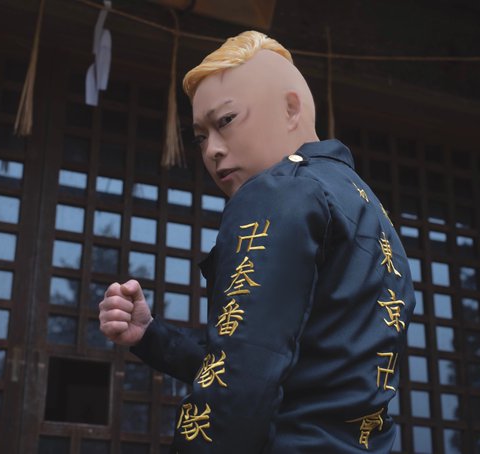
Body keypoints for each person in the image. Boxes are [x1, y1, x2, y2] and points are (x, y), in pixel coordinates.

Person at [99, 30, 415, 453]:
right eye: (200, 136)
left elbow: (244, 376)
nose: (211, 150)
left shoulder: (277, 191)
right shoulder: (369, 208)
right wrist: (151, 335)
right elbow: (288, 363)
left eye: (226, 121)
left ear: (290, 108)